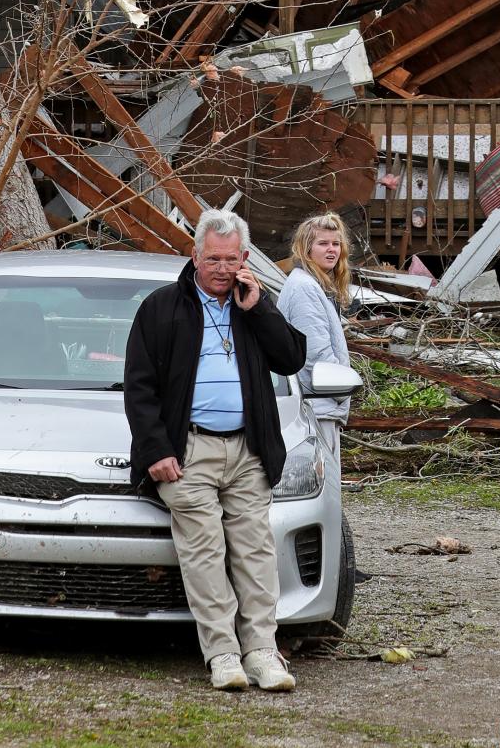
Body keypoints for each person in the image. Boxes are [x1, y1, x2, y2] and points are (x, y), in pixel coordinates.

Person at [123, 208, 306, 692]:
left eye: (230, 259)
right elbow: (138, 389)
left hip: (249, 450)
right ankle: (223, 654)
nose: (221, 269)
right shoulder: (162, 307)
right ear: (195, 255)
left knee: (254, 551)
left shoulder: (253, 306)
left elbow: (291, 358)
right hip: (189, 451)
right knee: (203, 552)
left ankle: (264, 652)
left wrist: (259, 309)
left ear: (245, 259)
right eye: (212, 259)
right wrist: (156, 449)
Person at [277, 212, 353, 457]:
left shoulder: (313, 285)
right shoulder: (304, 289)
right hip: (316, 407)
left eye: (336, 243)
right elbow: (316, 356)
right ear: (306, 249)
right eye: (323, 243)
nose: (331, 250)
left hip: (320, 405)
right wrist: (341, 393)